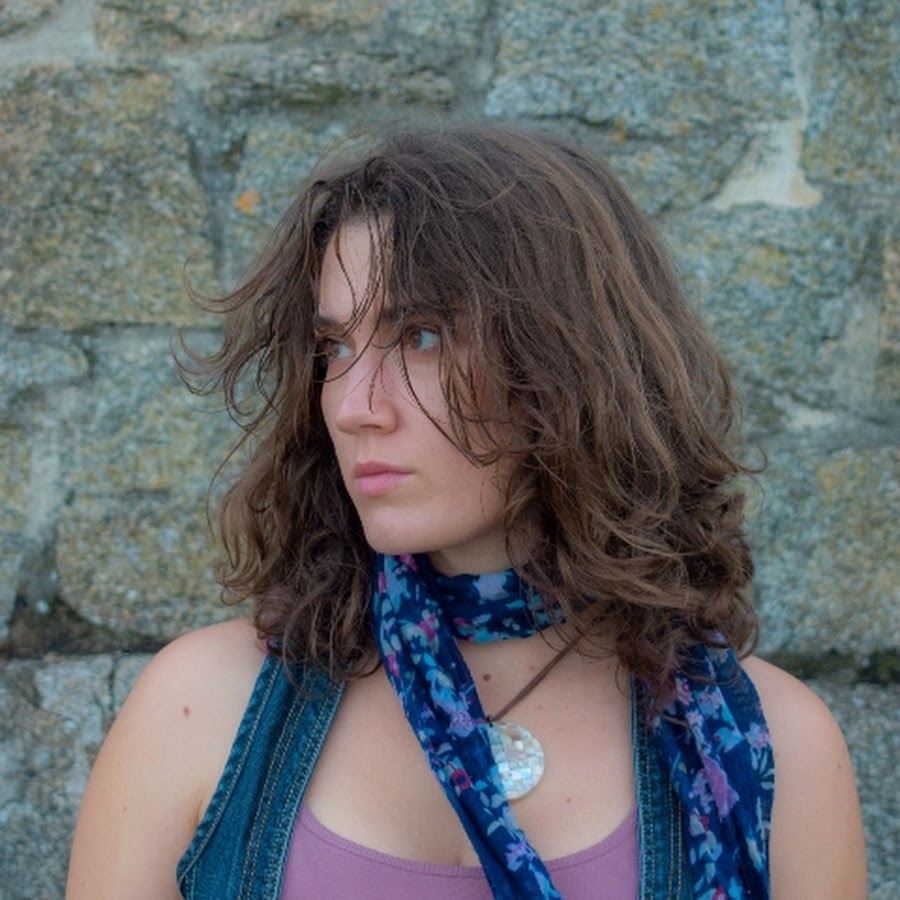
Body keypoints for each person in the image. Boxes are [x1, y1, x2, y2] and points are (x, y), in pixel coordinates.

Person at [67, 124, 866, 899]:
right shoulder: (202, 708)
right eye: (335, 347)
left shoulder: (775, 747)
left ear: (572, 364)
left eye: (420, 336)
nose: (353, 405)